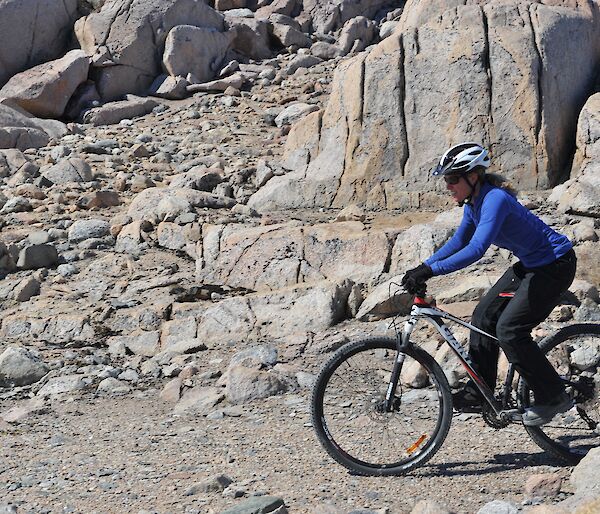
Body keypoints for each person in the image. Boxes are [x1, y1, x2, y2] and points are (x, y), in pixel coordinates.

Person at [401, 142, 577, 427]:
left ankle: (553, 396)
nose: (448, 186)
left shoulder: (494, 199)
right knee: (483, 316)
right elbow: (459, 241)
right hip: (532, 265)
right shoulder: (474, 202)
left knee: (509, 329)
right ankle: (478, 392)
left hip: (555, 266)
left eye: (452, 179)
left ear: (473, 176)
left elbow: (476, 249)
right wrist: (423, 266)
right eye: (446, 179)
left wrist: (432, 271)